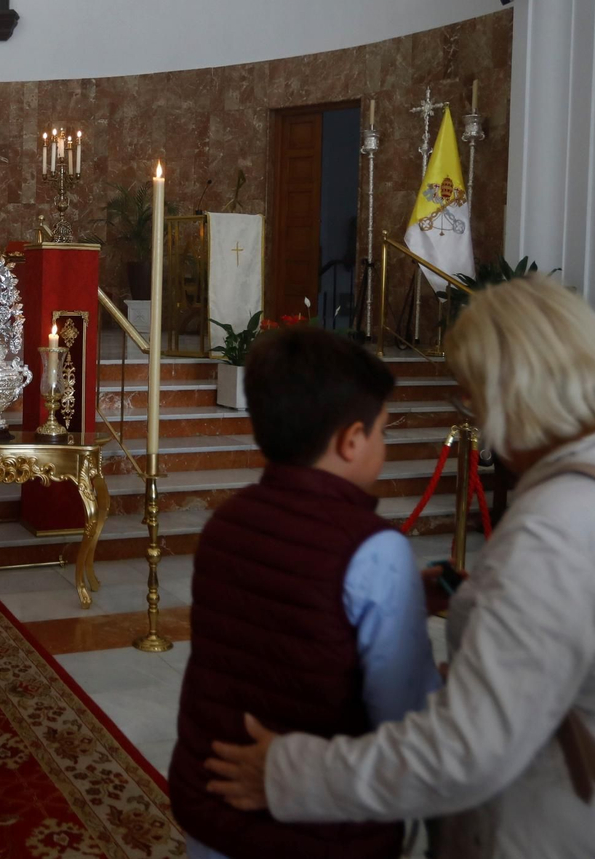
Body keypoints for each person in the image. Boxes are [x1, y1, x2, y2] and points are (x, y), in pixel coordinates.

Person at [203, 277, 595, 859]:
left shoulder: (557, 529)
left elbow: (465, 752)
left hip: (561, 826)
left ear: (515, 395)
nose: (477, 419)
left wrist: (288, 773)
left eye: (472, 396)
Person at [169, 327, 441, 859]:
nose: (383, 447)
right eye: (382, 433)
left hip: (212, 808)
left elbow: (287, 621)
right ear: (351, 441)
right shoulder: (373, 550)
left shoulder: (226, 521)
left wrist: (407, 601)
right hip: (317, 825)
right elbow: (403, 715)